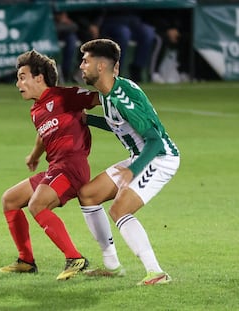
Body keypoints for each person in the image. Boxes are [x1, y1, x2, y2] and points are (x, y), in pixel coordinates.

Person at [0, 50, 120, 281]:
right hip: (56, 168)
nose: (18, 84)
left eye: (22, 77)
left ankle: (75, 258)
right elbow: (44, 136)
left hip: (72, 167)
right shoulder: (36, 110)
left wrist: (124, 110)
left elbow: (99, 97)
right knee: (10, 200)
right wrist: (34, 156)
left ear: (39, 78)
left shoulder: (66, 96)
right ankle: (26, 261)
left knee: (38, 204)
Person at [78, 38, 180, 285]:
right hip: (140, 156)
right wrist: (88, 120)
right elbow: (120, 126)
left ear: (101, 67)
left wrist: (132, 170)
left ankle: (156, 272)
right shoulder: (107, 92)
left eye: (85, 61)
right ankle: (112, 266)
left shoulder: (122, 96)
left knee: (119, 209)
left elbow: (154, 140)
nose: (81, 66)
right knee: (88, 194)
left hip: (159, 157)